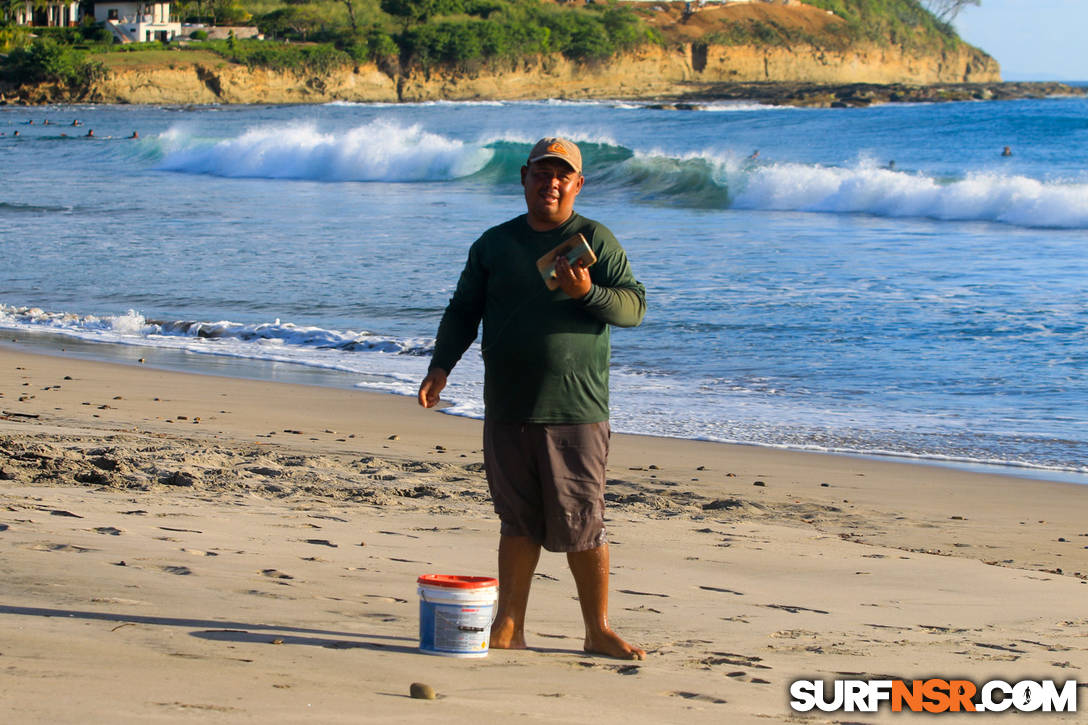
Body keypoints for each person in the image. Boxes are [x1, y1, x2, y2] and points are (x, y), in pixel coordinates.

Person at [418, 137, 647, 660]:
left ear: (578, 184)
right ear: (523, 178)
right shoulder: (494, 244)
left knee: (581, 522)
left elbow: (633, 308)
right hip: (508, 407)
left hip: (575, 410)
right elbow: (462, 311)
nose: (551, 183)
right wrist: (440, 366)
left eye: (562, 175)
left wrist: (586, 294)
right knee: (517, 521)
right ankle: (509, 627)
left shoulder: (596, 239)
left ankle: (597, 630)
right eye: (542, 174)